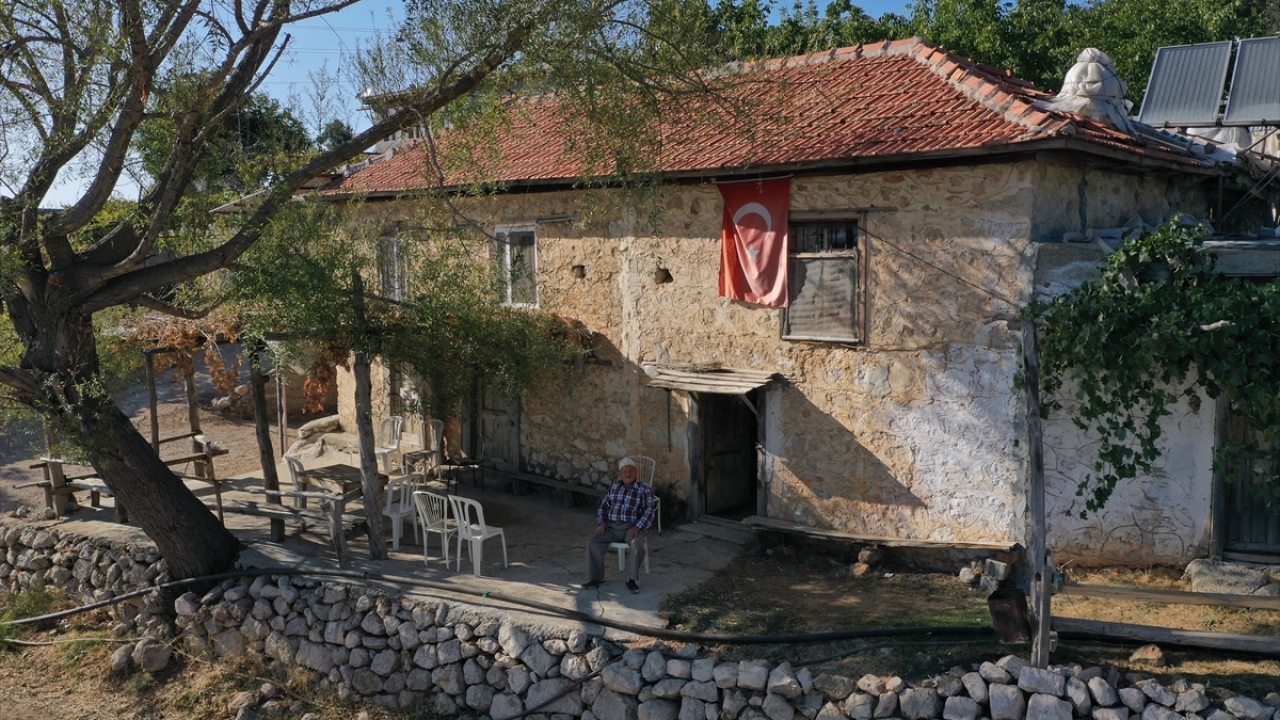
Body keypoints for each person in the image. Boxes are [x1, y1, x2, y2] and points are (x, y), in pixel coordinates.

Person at [583, 457, 655, 593]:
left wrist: (637, 527)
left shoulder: (644, 488)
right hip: (612, 527)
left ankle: (632, 580)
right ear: (620, 473)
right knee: (593, 541)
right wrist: (602, 522)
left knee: (636, 546)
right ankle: (597, 578)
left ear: (636, 472)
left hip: (632, 528)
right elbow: (604, 506)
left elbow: (649, 511)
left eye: (631, 471)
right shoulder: (614, 486)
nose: (628, 474)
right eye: (625, 471)